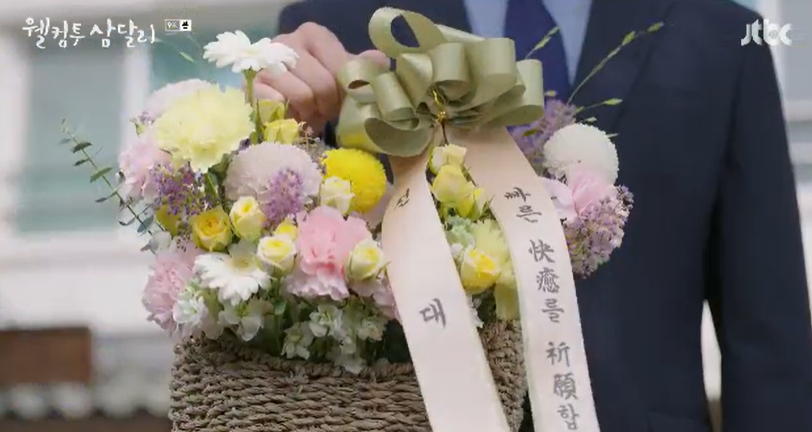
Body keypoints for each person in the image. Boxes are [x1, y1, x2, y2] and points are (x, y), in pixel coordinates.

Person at [254, 0, 812, 431]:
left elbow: (769, 335)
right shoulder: (335, 30)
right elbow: (270, 286)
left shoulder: (721, 35)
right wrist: (263, 134)